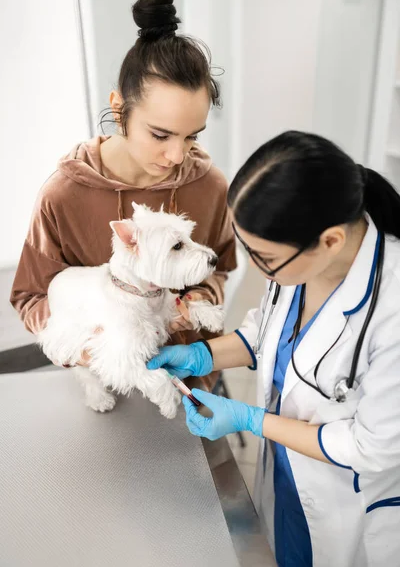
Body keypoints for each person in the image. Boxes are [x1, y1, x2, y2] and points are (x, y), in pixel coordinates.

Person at [147, 130, 400, 567]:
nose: (261, 268)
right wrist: (202, 356)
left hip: (349, 508)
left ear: (331, 241)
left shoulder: (392, 309)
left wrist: (250, 419)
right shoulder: (298, 263)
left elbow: (369, 447)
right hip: (285, 481)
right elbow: (265, 334)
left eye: (265, 258)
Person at [10, 0, 236, 389]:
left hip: (192, 379)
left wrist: (199, 300)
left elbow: (219, 269)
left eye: (191, 136)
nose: (177, 155)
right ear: (119, 109)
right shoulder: (62, 197)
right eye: (161, 134)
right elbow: (31, 298)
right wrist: (88, 350)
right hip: (106, 382)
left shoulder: (209, 185)